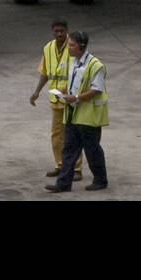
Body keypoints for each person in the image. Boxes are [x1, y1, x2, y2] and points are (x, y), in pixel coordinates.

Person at [46, 30, 107, 192]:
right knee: (69, 149)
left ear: (81, 46)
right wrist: (63, 91)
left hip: (88, 115)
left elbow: (97, 89)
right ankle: (63, 184)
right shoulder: (74, 62)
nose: (69, 48)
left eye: (72, 45)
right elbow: (75, 82)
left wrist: (77, 97)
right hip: (73, 114)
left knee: (92, 149)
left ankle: (101, 180)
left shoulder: (96, 65)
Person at [29, 18, 81, 180]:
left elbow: (79, 73)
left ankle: (76, 169)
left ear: (67, 31)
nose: (59, 34)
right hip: (55, 99)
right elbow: (45, 72)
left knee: (72, 135)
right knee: (56, 135)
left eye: (62, 31)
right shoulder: (48, 48)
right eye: (56, 31)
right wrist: (37, 91)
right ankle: (61, 165)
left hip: (70, 99)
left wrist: (67, 89)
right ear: (52, 31)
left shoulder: (73, 48)